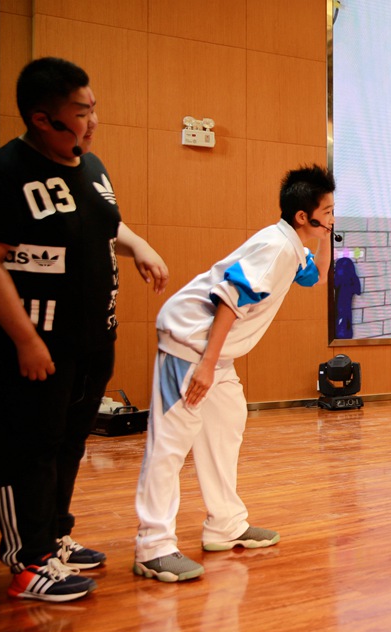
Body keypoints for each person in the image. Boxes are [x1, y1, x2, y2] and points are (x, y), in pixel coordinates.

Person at [0, 57, 169, 602]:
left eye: (93, 108)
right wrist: (26, 339)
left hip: (90, 339)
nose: (92, 121)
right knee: (26, 448)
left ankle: (53, 537)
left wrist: (140, 245)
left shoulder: (90, 165)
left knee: (68, 443)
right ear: (42, 119)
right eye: (80, 112)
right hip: (33, 345)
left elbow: (105, 223)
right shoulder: (0, 174)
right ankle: (27, 562)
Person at [133, 164, 336, 582]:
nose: (333, 217)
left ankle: (225, 524)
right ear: (303, 216)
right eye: (328, 211)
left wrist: (327, 235)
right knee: (171, 442)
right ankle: (153, 547)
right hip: (190, 345)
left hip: (214, 354)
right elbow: (228, 297)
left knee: (226, 426)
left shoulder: (292, 247)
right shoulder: (275, 248)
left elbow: (317, 277)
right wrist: (206, 365)